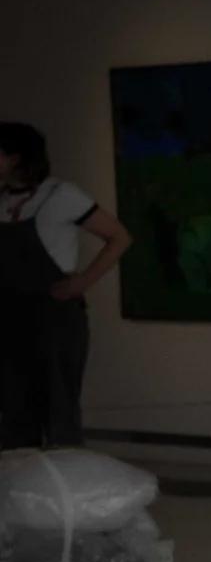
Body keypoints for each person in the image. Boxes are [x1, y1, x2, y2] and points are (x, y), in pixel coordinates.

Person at [0, 123, 131, 449]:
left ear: (15, 158)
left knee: (59, 410)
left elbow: (119, 236)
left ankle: (67, 493)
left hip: (55, 317)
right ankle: (20, 494)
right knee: (15, 410)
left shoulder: (61, 195)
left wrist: (82, 281)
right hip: (11, 316)